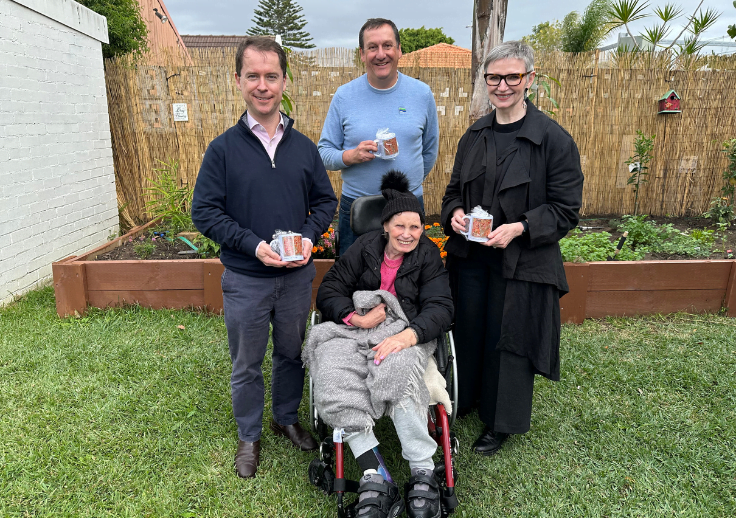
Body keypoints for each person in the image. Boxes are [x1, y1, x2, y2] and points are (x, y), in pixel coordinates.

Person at [191, 36, 338, 479]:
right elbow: (205, 212)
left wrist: (309, 239)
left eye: (270, 76)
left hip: (295, 278)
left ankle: (286, 418)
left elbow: (326, 202)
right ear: (238, 81)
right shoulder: (223, 149)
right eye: (252, 75)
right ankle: (249, 435)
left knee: (291, 355)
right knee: (247, 362)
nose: (262, 85)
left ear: (284, 81)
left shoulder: (304, 148)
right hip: (246, 279)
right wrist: (253, 245)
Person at [441, 41, 584, 456]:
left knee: (509, 338)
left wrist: (519, 227)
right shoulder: (474, 134)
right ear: (485, 81)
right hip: (471, 258)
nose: (502, 86)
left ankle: (500, 421)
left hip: (522, 261)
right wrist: (454, 214)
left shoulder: (554, 140)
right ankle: (465, 398)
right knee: (468, 329)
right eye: (494, 77)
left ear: (529, 80)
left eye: (512, 77)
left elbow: (565, 210)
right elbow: (452, 192)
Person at [305, 171, 453, 518]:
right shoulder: (364, 247)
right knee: (331, 369)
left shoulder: (428, 256)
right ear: (385, 226)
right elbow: (330, 289)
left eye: (415, 227)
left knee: (398, 370)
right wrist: (354, 318)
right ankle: (375, 473)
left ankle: (422, 470)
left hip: (405, 331)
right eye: (400, 226)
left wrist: (408, 335)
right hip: (355, 329)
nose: (408, 234)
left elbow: (441, 307)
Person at [318, 18, 439, 255]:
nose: (380, 54)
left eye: (387, 45)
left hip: (408, 209)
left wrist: (407, 186)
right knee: (353, 283)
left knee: (408, 282)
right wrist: (351, 156)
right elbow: (324, 153)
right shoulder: (344, 96)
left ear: (399, 50)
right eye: (372, 47)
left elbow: (429, 150)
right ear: (362, 54)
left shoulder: (421, 94)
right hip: (358, 209)